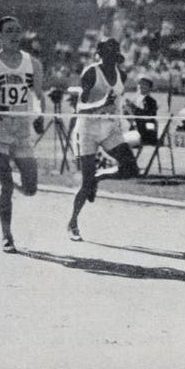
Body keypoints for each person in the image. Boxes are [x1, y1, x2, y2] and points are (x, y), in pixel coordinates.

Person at [0, 16, 46, 253]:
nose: (15, 35)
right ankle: (7, 236)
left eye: (18, 30)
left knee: (31, 188)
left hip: (21, 131)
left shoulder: (32, 63)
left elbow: (37, 96)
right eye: (9, 31)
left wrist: (39, 116)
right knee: (6, 186)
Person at [67, 38, 141, 242]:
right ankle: (73, 223)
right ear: (101, 54)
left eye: (114, 53)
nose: (111, 58)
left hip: (109, 129)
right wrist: (101, 102)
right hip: (88, 129)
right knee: (86, 184)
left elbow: (117, 101)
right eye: (107, 53)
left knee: (131, 169)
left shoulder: (121, 75)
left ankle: (100, 176)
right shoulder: (91, 72)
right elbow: (80, 107)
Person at [124, 74, 158, 145]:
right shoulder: (134, 99)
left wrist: (133, 107)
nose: (142, 86)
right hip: (133, 128)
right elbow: (127, 115)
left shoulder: (151, 101)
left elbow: (149, 117)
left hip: (145, 132)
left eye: (145, 84)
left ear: (150, 88)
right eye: (140, 83)